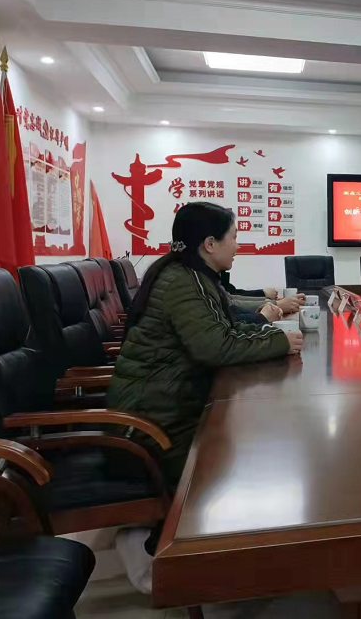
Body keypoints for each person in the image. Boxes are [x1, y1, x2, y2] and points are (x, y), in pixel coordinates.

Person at [109, 202, 300, 593]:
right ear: (210, 244)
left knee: (244, 437)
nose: (238, 246)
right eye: (234, 238)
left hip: (168, 403)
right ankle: (157, 548)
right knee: (234, 462)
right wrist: (279, 342)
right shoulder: (183, 282)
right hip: (151, 421)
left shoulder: (194, 277)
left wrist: (272, 335)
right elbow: (215, 347)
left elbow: (225, 327)